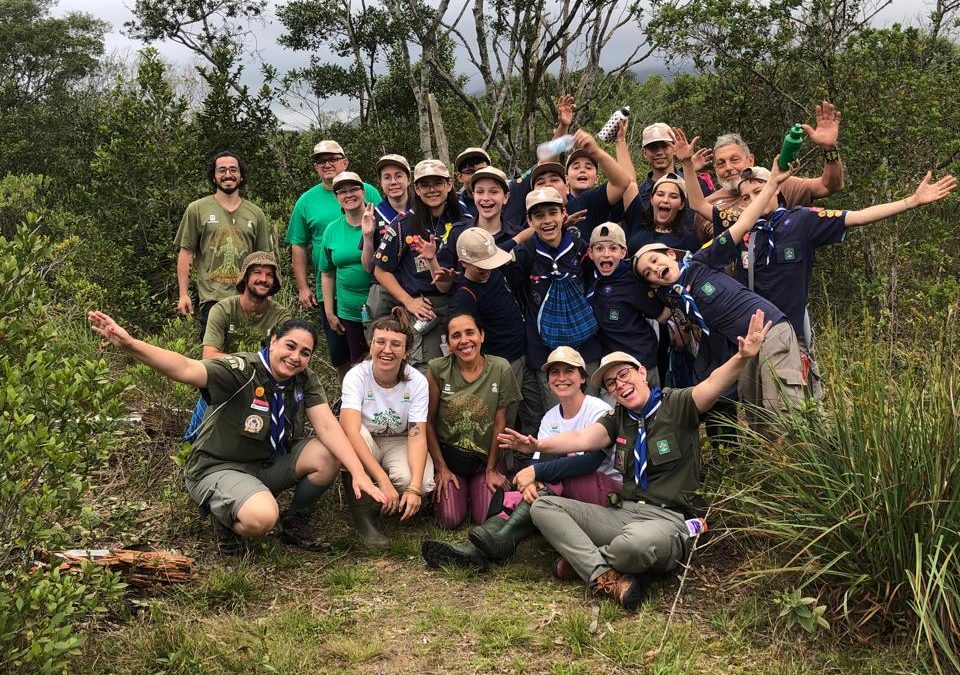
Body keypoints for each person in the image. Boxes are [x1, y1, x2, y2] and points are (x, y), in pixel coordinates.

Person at [498, 311, 772, 609]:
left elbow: (711, 384)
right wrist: (537, 445)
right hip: (623, 512)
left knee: (635, 545)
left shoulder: (676, 404)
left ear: (642, 372)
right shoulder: (618, 418)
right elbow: (581, 438)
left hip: (668, 518)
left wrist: (742, 357)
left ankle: (584, 562)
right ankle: (603, 575)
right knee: (544, 506)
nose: (619, 385)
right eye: (611, 384)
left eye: (623, 375)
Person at [87, 312, 385, 554]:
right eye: (290, 346)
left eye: (305, 353)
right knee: (262, 518)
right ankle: (227, 518)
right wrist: (130, 344)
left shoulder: (303, 379)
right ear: (273, 341)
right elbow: (186, 368)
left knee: (328, 453)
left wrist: (358, 472)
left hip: (266, 463)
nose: (296, 357)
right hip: (219, 466)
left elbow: (327, 426)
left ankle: (295, 520)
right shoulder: (242, 369)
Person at [677, 136, 957, 393]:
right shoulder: (740, 226)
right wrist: (688, 163)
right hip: (748, 339)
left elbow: (858, 216)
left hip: (789, 334)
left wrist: (910, 201)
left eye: (759, 192)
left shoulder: (801, 220)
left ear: (776, 190)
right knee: (755, 416)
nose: (752, 201)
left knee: (791, 409)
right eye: (746, 197)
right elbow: (698, 203)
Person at [633, 160, 806, 425]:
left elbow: (743, 223)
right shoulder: (674, 299)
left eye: (655, 261)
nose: (655, 269)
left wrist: (772, 184)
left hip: (769, 329)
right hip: (744, 348)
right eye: (648, 273)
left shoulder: (702, 260)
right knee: (758, 419)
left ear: (670, 254)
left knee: (784, 411)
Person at [421, 346, 618, 570]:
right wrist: (533, 480)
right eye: (554, 372)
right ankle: (475, 551)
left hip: (601, 490)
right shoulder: (551, 417)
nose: (561, 378)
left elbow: (589, 462)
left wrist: (536, 473)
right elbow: (539, 460)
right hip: (563, 490)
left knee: (553, 476)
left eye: (569, 371)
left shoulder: (598, 410)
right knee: (529, 491)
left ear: (582, 377)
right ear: (548, 380)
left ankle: (494, 544)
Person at [339, 308, 435, 547]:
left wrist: (414, 488)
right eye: (380, 342)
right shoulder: (356, 376)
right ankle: (364, 518)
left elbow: (417, 434)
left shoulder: (417, 381)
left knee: (420, 482)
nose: (387, 350)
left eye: (396, 344)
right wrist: (383, 479)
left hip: (398, 438)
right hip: (364, 437)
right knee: (348, 439)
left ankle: (397, 502)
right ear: (371, 345)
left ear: (406, 351)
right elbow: (350, 430)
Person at [287, 140, 381, 380]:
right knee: (342, 354)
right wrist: (303, 287)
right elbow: (298, 244)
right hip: (333, 289)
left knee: (379, 347)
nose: (327, 164)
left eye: (332, 159)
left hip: (374, 287)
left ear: (345, 161)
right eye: (321, 161)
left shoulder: (369, 191)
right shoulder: (306, 201)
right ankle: (348, 395)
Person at [511, 186, 601, 434]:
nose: (547, 221)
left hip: (585, 345)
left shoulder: (581, 248)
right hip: (544, 349)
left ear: (564, 213)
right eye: (539, 216)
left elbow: (594, 285)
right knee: (556, 415)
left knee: (591, 411)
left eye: (553, 212)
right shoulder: (524, 254)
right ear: (529, 221)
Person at [426, 313, 522, 529]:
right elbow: (428, 421)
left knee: (487, 518)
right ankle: (461, 495)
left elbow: (500, 423)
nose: (464, 341)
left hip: (485, 459)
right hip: (451, 459)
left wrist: (491, 468)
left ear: (482, 336)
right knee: (448, 519)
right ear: (448, 343)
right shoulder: (437, 369)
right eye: (456, 336)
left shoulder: (500, 368)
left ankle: (476, 493)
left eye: (470, 332)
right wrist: (441, 468)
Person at [697, 101, 844, 240]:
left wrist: (829, 149)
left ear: (750, 160)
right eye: (721, 163)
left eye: (735, 159)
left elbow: (829, 186)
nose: (728, 168)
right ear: (715, 169)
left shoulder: (779, 184)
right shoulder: (707, 205)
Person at [371, 159, 462, 370]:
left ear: (449, 185)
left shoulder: (464, 220)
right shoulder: (403, 225)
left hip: (459, 303)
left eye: (437, 183)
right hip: (425, 307)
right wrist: (408, 301)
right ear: (417, 190)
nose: (432, 190)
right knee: (427, 371)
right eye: (425, 185)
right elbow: (380, 270)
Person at [174, 150, 274, 341]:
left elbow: (265, 259)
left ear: (241, 175)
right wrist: (183, 294)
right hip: (212, 298)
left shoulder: (256, 213)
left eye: (233, 170)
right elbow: (186, 253)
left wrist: (268, 296)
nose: (228, 174)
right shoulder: (197, 209)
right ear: (214, 176)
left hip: (249, 297)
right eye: (222, 170)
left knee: (249, 353)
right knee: (213, 354)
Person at [585, 222, 663, 388]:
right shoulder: (590, 277)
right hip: (610, 365)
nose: (606, 254)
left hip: (641, 363)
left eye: (613, 248)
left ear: (623, 252)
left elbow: (660, 314)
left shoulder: (634, 280)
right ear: (590, 253)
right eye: (599, 248)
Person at [318, 171, 376, 366]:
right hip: (349, 311)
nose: (348, 195)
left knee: (384, 361)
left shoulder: (380, 222)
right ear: (336, 197)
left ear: (363, 192)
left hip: (381, 308)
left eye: (353, 189)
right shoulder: (332, 230)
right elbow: (327, 272)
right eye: (342, 192)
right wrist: (329, 311)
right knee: (357, 364)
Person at [202, 251, 292, 359]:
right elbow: (209, 355)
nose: (263, 279)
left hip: (265, 370)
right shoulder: (222, 310)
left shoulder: (280, 316)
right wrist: (246, 363)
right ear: (245, 277)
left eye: (269, 275)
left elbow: (286, 357)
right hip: (228, 368)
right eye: (257, 272)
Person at [372, 154, 414, 234]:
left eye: (398, 176)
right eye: (387, 177)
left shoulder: (422, 209)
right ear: (381, 182)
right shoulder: (375, 216)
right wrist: (367, 235)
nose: (393, 182)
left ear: (409, 179)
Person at [454, 147, 491, 218]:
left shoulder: (506, 203)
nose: (476, 175)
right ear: (460, 177)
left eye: (481, 170)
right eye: (469, 172)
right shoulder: (452, 208)